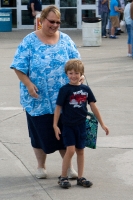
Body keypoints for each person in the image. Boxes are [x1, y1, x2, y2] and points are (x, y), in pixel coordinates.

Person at [10, 5, 84, 180]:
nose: (55, 25)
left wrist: (80, 79)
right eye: (51, 21)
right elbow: (18, 66)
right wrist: (28, 84)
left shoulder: (65, 40)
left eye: (58, 22)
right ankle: (41, 166)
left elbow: (77, 64)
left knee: (65, 133)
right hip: (38, 99)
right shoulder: (29, 41)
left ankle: (68, 168)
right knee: (39, 133)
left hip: (64, 100)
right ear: (42, 20)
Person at [53, 59, 109, 189]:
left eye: (76, 73)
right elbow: (58, 108)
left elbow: (94, 107)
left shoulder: (86, 89)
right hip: (68, 125)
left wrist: (102, 124)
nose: (73, 76)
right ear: (66, 74)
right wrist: (55, 125)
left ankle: (80, 177)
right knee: (70, 150)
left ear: (82, 74)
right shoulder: (64, 89)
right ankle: (63, 177)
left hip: (81, 125)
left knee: (81, 151)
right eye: (70, 73)